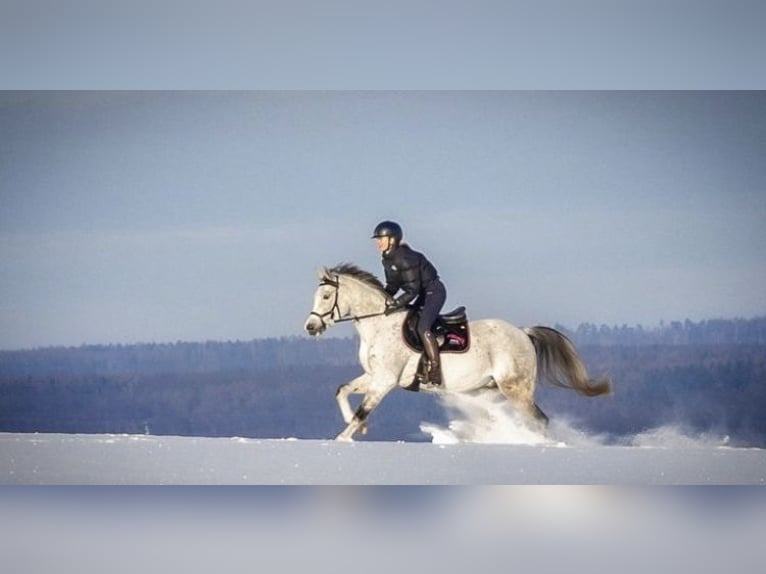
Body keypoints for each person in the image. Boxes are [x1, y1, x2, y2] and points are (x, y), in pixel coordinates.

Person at [372, 220, 447, 387]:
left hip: (434, 292)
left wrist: (395, 304)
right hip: (421, 293)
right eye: (377, 239)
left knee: (422, 327)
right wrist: (382, 300)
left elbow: (412, 290)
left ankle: (435, 369)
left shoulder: (405, 258)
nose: (378, 242)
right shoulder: (387, 259)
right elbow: (392, 285)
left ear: (392, 240)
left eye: (381, 238)